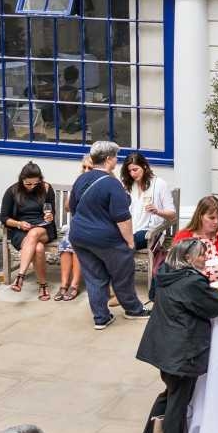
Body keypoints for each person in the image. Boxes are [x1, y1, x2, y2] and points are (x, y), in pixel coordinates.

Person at [134, 236, 218, 433]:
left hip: (164, 345)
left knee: (169, 393)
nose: (206, 258)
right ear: (188, 258)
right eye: (202, 254)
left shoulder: (166, 273)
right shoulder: (192, 283)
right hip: (182, 349)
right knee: (178, 400)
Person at [67, 140, 150, 329]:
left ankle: (101, 318)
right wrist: (129, 243)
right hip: (105, 238)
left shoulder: (81, 179)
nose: (116, 160)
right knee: (123, 273)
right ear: (107, 159)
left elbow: (73, 208)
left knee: (94, 276)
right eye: (114, 157)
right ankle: (134, 310)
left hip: (79, 236)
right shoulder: (112, 184)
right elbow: (123, 219)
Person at [0, 161, 61, 300]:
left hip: (44, 228)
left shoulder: (46, 188)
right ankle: (43, 285)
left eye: (35, 184)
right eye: (28, 184)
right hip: (21, 230)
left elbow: (51, 212)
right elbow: (4, 218)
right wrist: (19, 224)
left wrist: (50, 216)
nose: (32, 187)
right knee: (38, 248)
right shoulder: (12, 191)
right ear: (22, 180)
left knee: (34, 233)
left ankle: (20, 276)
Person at [174, 195, 218, 283]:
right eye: (212, 218)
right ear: (200, 216)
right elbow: (173, 268)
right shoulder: (184, 236)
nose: (216, 221)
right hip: (191, 289)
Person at [123, 152, 176, 260]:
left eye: (135, 169)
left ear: (145, 167)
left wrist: (157, 211)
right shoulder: (129, 186)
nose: (132, 174)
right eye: (129, 171)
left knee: (123, 246)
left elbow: (172, 215)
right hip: (130, 230)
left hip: (150, 233)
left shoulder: (159, 184)